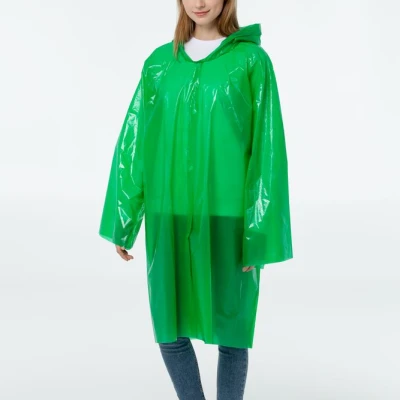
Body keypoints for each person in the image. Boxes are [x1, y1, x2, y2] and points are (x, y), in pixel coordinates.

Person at [98, 0, 293, 398]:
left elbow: (267, 149)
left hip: (229, 218)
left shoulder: (251, 62)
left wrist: (259, 234)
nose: (200, 3)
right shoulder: (159, 64)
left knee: (233, 330)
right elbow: (135, 143)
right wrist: (124, 216)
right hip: (167, 214)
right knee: (168, 326)